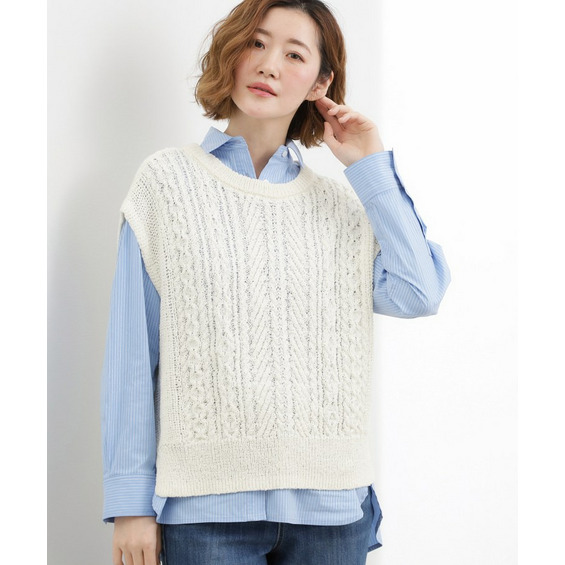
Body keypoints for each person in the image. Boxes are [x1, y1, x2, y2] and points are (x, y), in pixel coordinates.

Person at [101, 0, 451, 563]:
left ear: (321, 83)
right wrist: (130, 504)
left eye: (294, 54)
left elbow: (420, 291)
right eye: (257, 43)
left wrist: (370, 167)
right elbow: (132, 356)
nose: (269, 65)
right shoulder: (165, 184)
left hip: (333, 511)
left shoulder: (343, 207)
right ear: (233, 52)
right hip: (206, 511)